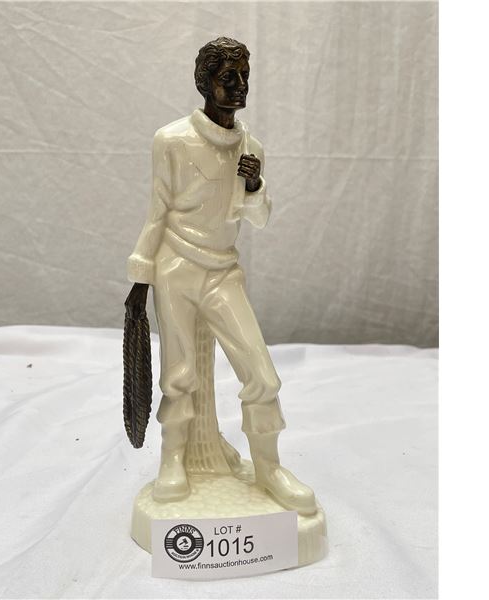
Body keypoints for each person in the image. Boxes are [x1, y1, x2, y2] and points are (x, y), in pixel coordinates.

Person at [125, 37, 316, 515]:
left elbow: (259, 218)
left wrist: (253, 184)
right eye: (228, 77)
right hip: (175, 267)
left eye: (245, 76)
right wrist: (141, 276)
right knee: (179, 373)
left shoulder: (251, 147)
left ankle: (268, 468)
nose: (239, 85)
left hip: (222, 270)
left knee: (262, 375)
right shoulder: (171, 140)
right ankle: (173, 459)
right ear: (204, 82)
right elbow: (157, 210)